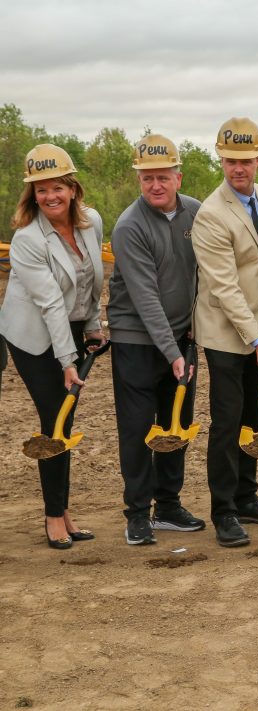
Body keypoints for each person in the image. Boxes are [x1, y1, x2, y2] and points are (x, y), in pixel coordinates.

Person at [191, 117, 258, 547]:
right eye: (231, 160)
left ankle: (248, 496)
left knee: (255, 417)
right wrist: (255, 340)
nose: (239, 168)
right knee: (228, 421)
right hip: (225, 334)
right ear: (221, 159)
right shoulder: (211, 214)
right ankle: (224, 512)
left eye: (246, 160)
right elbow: (225, 287)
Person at [0, 144, 105, 549]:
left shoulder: (90, 222)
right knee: (55, 422)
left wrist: (94, 327)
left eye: (57, 187)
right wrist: (67, 360)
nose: (50, 197)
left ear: (73, 188)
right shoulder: (28, 240)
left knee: (66, 420)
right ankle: (54, 516)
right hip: (33, 337)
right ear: (32, 195)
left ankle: (63, 511)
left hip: (72, 328)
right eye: (41, 190)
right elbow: (49, 304)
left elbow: (90, 283)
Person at [107, 134, 205, 545]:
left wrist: (191, 340)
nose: (155, 186)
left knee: (175, 424)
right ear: (139, 181)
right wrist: (172, 353)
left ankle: (168, 506)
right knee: (137, 428)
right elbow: (146, 299)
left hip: (181, 338)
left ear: (178, 177)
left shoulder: (197, 214)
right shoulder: (129, 227)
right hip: (137, 340)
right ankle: (137, 513)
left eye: (163, 177)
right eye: (147, 178)